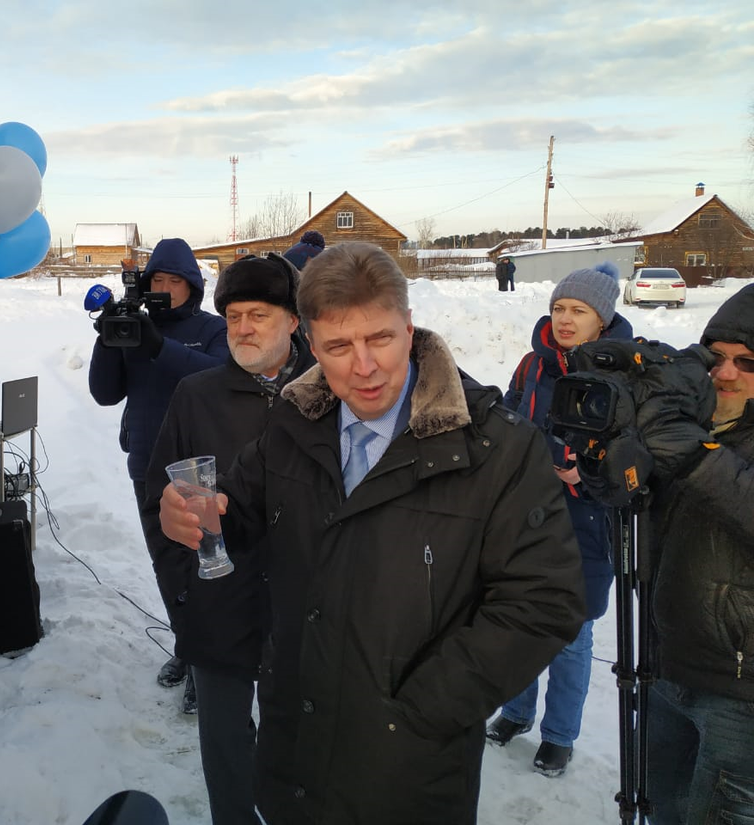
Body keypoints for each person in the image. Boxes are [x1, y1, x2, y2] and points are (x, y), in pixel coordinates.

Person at [159, 242, 587, 824]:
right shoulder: (294, 423)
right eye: (338, 346)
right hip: (294, 759)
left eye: (379, 339)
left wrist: (423, 709)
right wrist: (191, 515)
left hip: (407, 776)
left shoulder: (496, 449)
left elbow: (544, 602)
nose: (364, 367)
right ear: (311, 346)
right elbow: (239, 514)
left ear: (409, 329)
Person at [143, 253, 315, 825]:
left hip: (307, 607)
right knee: (224, 743)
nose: (243, 327)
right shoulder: (197, 395)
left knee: (305, 743)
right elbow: (158, 500)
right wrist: (184, 591)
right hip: (219, 597)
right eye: (234, 314)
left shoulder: (329, 391)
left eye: (259, 314)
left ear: (294, 320)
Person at [486, 263, 632, 776]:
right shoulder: (533, 365)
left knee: (571, 636)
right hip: (525, 514)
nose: (565, 320)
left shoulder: (624, 372)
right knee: (517, 618)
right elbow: (508, 416)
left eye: (579, 311)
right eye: (559, 309)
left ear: (603, 318)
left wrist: (583, 475)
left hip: (586, 523)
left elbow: (634, 463)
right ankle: (517, 712)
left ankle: (559, 736)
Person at [88, 237, 229, 706]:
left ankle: (209, 665)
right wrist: (109, 340)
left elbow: (217, 380)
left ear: (192, 286)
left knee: (205, 565)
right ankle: (187, 649)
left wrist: (158, 347)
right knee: (167, 567)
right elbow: (105, 394)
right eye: (158, 280)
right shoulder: (135, 327)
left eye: (175, 281)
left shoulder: (212, 329)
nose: (165, 288)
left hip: (198, 470)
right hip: (147, 464)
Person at [638, 283, 754, 824]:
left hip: (740, 693)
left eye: (748, 361)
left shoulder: (695, 440)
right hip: (667, 665)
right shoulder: (698, 424)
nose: (726, 374)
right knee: (664, 809)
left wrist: (693, 456)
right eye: (716, 357)